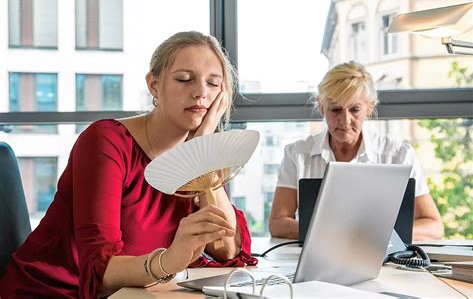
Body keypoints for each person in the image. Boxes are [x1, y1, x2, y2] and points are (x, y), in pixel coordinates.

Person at [0, 31, 257, 298]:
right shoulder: (105, 142)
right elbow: (98, 273)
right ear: (154, 85)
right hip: (51, 292)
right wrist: (168, 260)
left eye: (214, 84)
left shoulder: (201, 153)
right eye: (184, 79)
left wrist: (200, 150)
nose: (201, 93)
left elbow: (227, 249)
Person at [269, 61, 444, 242]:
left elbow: (434, 226)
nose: (345, 121)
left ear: (369, 108)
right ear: (321, 107)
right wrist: (337, 235)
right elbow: (278, 223)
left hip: (381, 257)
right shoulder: (296, 154)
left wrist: (376, 236)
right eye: (335, 110)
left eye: (355, 109)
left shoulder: (399, 154)